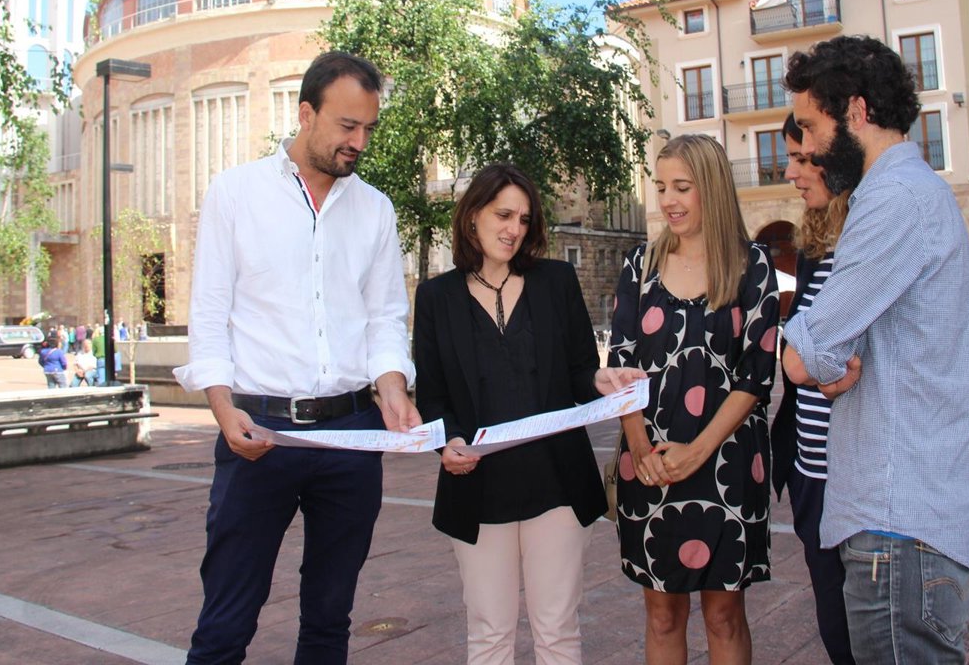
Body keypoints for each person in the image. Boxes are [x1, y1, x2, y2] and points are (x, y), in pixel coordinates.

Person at [173, 50, 421, 665]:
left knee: (330, 620)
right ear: (306, 113)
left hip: (352, 435)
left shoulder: (376, 209)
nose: (359, 142)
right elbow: (209, 315)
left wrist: (393, 387)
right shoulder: (235, 193)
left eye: (368, 128)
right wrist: (222, 409)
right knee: (225, 622)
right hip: (258, 431)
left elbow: (385, 318)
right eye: (347, 125)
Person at [781, 35, 969, 664]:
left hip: (901, 524)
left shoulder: (893, 199)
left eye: (811, 127)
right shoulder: (906, 191)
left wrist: (813, 356)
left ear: (855, 111)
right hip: (907, 520)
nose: (807, 149)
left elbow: (807, 356)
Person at [414, 163, 645, 665]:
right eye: (503, 215)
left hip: (557, 483)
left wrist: (602, 380)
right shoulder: (435, 297)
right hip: (478, 486)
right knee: (489, 634)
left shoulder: (556, 281)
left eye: (523, 219)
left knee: (557, 630)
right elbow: (431, 398)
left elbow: (581, 370)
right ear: (472, 216)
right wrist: (448, 443)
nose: (514, 229)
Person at [608, 134, 779, 665]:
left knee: (724, 615)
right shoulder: (639, 265)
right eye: (661, 187)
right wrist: (641, 449)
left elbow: (756, 377)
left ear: (712, 187)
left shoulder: (753, 265)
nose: (668, 201)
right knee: (661, 615)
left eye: (682, 187)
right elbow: (621, 365)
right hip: (650, 463)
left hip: (726, 462)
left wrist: (698, 452)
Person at [770, 114, 854, 665]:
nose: (790, 172)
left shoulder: (870, 244)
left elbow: (804, 361)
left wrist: (803, 357)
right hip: (812, 473)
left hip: (856, 478)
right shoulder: (814, 249)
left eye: (802, 159)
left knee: (871, 633)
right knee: (836, 625)